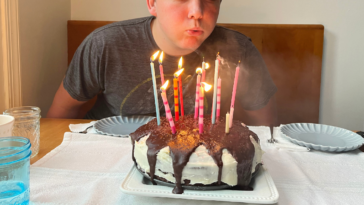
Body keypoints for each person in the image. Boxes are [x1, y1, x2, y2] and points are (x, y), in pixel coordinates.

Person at [47, 0, 277, 126]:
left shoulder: (238, 50)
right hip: (111, 156)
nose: (197, 12)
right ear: (152, 3)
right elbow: (62, 113)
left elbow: (266, 127)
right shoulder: (105, 44)